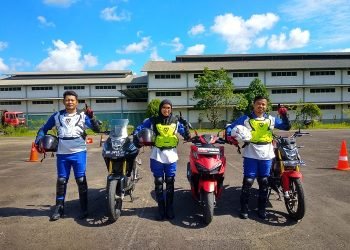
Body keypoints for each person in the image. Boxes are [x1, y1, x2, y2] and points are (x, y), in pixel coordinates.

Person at [35, 90, 100, 221]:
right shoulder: (57, 116)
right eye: (67, 100)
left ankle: (84, 207)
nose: (70, 102)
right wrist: (38, 140)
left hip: (79, 152)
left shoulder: (83, 116)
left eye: (72, 100)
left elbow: (97, 129)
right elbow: (43, 128)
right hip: (62, 153)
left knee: (81, 180)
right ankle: (59, 208)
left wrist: (92, 117)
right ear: (63, 101)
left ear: (76, 102)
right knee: (61, 180)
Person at [226, 96, 291, 220]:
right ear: (253, 105)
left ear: (266, 106)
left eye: (263, 104)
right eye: (258, 104)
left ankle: (261, 209)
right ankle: (244, 208)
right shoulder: (245, 119)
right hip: (250, 152)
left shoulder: (271, 119)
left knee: (264, 181)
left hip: (266, 153)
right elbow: (230, 127)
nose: (260, 106)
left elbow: (286, 126)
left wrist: (284, 115)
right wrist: (230, 135)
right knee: (248, 181)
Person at [133, 99, 191, 220]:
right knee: (159, 182)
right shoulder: (152, 120)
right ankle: (161, 208)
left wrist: (185, 126)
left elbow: (186, 136)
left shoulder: (176, 121)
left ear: (171, 109)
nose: (166, 110)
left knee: (170, 182)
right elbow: (140, 128)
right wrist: (135, 135)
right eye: (164, 107)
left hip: (171, 155)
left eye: (169, 108)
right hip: (157, 155)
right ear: (160, 108)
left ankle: (169, 208)